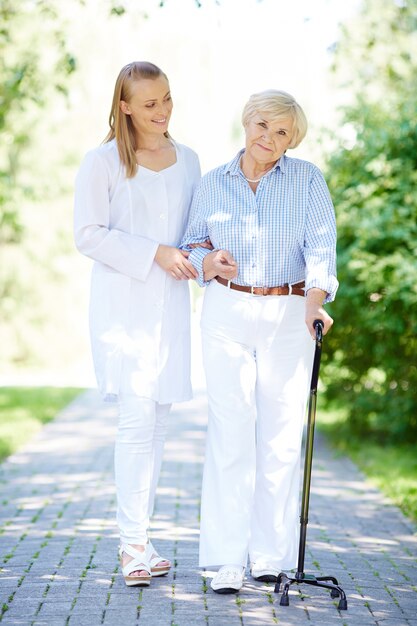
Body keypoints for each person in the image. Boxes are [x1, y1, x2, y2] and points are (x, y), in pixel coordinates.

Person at [181, 89, 338, 594]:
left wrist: (315, 303)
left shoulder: (308, 179)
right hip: (226, 309)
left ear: (293, 140)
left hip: (289, 312)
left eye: (282, 132)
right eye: (264, 125)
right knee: (230, 431)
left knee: (279, 436)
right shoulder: (212, 184)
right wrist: (208, 261)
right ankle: (227, 560)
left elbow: (321, 247)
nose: (269, 138)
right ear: (247, 120)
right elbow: (191, 243)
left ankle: (269, 556)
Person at [74, 61, 201, 587]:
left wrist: (203, 258)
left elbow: (195, 232)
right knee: (133, 424)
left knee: (158, 425)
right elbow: (87, 234)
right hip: (122, 306)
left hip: (170, 305)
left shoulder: (189, 160)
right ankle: (130, 546)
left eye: (167, 98)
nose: (162, 110)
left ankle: (143, 538)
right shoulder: (102, 162)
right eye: (149, 103)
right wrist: (155, 252)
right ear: (124, 106)